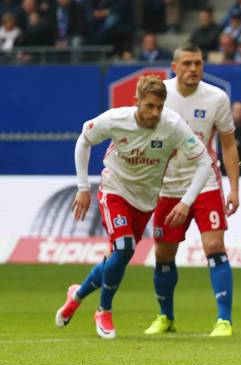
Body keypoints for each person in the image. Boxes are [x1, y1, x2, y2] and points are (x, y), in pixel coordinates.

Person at [55, 75, 211, 339]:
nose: (154, 113)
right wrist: (83, 187)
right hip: (114, 190)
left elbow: (204, 162)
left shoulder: (172, 125)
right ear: (136, 101)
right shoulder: (116, 119)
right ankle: (103, 310)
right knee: (125, 247)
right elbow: (84, 139)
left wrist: (186, 202)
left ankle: (77, 295)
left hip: (146, 200)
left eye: (159, 107)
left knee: (118, 255)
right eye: (149, 106)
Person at [145, 44, 240, 337]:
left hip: (206, 183)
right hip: (167, 186)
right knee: (163, 253)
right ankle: (165, 316)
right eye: (187, 63)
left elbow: (228, 144)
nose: (194, 69)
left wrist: (234, 188)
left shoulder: (216, 98)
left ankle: (224, 320)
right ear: (174, 66)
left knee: (214, 246)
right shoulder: (160, 96)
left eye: (198, 63)